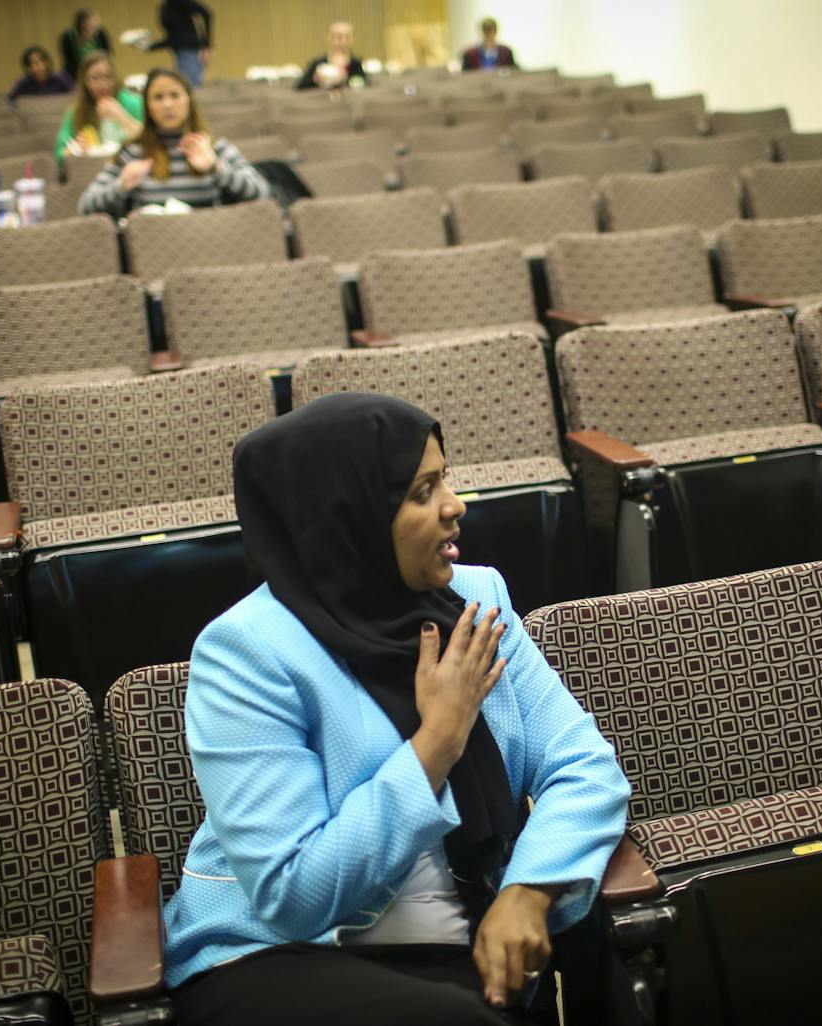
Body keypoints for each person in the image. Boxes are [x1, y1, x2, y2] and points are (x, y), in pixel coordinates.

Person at [162, 393, 630, 1025]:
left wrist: (528, 889)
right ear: (347, 518)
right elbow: (292, 895)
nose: (454, 505)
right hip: (279, 958)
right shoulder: (247, 652)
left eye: (445, 478)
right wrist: (436, 743)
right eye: (421, 492)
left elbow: (586, 769)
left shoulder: (475, 600)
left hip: (462, 936)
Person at [79, 67, 267, 216]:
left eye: (175, 95)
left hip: (211, 245)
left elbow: (262, 193)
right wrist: (121, 185)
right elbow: (85, 205)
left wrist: (216, 167)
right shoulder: (134, 153)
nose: (167, 104)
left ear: (188, 101)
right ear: (148, 107)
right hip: (152, 251)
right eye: (158, 98)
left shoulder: (214, 148)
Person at [54, 50, 142, 160]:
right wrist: (75, 148)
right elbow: (59, 154)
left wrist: (121, 116)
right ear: (85, 82)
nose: (103, 84)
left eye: (108, 77)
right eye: (95, 78)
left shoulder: (134, 103)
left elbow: (151, 139)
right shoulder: (77, 111)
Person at [150, 0, 211, 88]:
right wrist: (151, 46)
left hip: (189, 51)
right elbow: (173, 38)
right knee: (181, 86)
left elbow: (206, 14)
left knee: (190, 87)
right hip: (178, 53)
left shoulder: (180, 2)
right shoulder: (165, 6)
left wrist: (205, 45)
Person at [296, 19, 366, 90]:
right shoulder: (317, 63)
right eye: (339, 37)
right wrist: (315, 79)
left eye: (347, 37)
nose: (343, 41)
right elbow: (300, 86)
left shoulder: (356, 63)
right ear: (329, 37)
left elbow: (364, 83)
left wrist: (344, 79)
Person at [60, 7, 112, 82]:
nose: (94, 29)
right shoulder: (68, 38)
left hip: (99, 72)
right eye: (90, 26)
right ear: (81, 26)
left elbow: (108, 56)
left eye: (96, 26)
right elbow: (69, 64)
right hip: (75, 76)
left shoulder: (100, 34)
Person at [7, 46, 74, 104]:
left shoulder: (60, 78)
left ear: (47, 62)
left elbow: (75, 95)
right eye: (35, 62)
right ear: (29, 68)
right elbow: (10, 100)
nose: (40, 65)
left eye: (42, 60)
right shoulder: (23, 83)